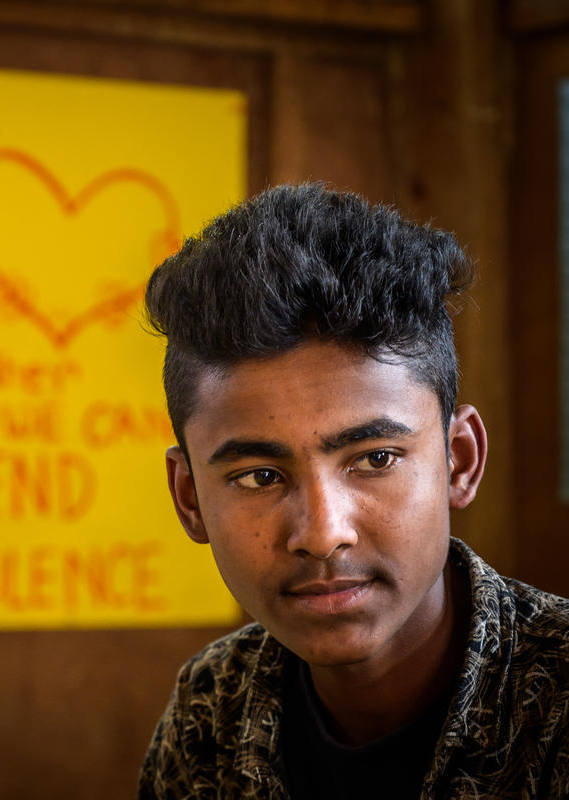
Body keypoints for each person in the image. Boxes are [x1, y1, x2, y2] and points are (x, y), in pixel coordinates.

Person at [137, 184, 569, 799]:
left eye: (375, 459)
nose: (322, 532)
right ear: (189, 498)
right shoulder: (210, 708)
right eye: (260, 476)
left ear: (460, 461)